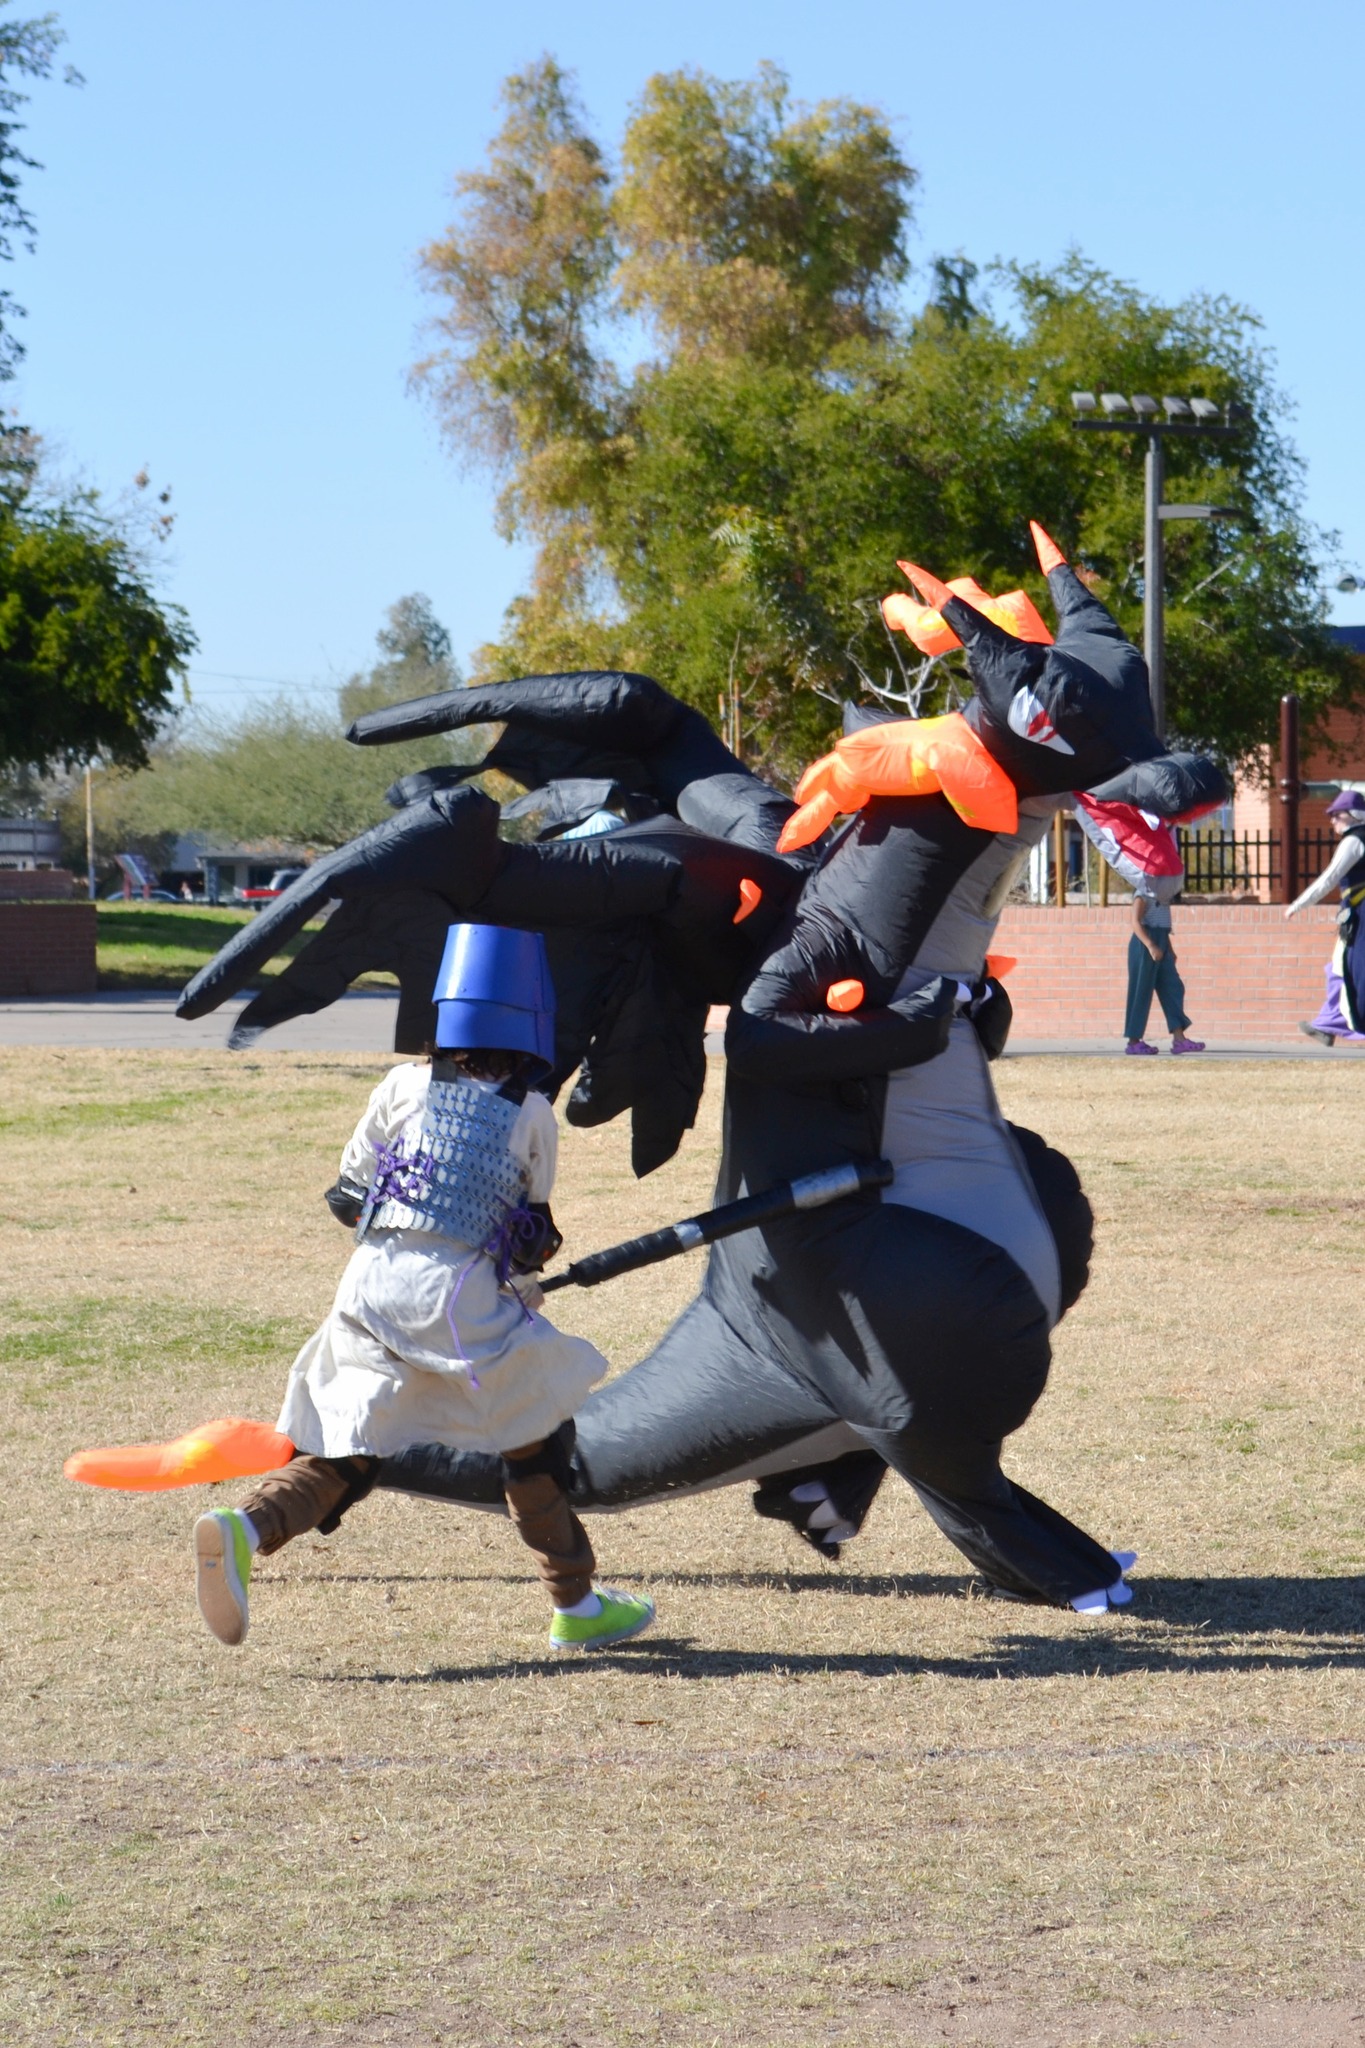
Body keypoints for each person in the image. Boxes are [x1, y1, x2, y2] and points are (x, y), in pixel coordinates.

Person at [192, 922, 655, 1655]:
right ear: (533, 1021)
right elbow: (529, 1231)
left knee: (354, 1449)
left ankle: (248, 1526)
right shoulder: (530, 1111)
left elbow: (349, 1194)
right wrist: (523, 1292)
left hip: (367, 1285)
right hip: (455, 1296)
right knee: (532, 1442)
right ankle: (577, 1603)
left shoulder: (400, 1084)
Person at [1288, 788, 1365, 1046]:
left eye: (1337, 815)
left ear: (1353, 815)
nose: (1332, 820)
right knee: (1339, 968)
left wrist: (1300, 903)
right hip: (1356, 912)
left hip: (1361, 914)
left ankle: (1330, 1022)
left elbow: (1330, 877)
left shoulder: (1354, 841)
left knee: (1347, 969)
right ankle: (1328, 1021)